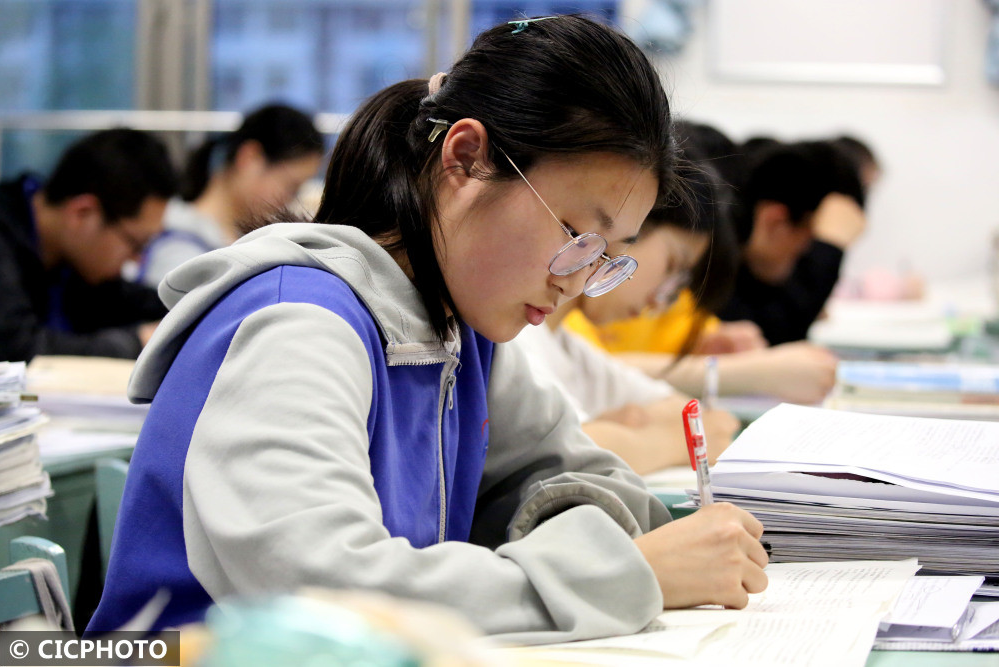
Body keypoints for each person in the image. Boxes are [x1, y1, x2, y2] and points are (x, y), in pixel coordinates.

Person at [90, 15, 767, 641]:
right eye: (574, 233)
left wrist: (598, 548)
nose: (575, 281)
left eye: (605, 255)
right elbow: (325, 592)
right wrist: (624, 573)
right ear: (466, 158)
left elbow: (577, 472)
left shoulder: (463, 330)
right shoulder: (299, 321)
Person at [511, 158, 740, 475]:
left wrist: (627, 432)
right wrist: (669, 442)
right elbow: (566, 458)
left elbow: (700, 420)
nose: (660, 300)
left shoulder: (567, 346)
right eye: (672, 266)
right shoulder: (517, 337)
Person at [563, 153, 839, 406]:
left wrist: (708, 348)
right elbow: (589, 372)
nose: (657, 300)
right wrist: (745, 373)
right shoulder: (560, 308)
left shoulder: (651, 292)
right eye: (671, 264)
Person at [0, 128, 177, 363]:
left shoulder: (73, 259)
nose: (138, 259)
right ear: (82, 213)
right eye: (136, 244)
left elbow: (131, 301)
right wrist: (138, 342)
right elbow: (17, 349)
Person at [139, 104, 324, 287]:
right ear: (250, 157)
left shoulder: (236, 241)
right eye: (290, 186)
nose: (289, 201)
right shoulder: (178, 246)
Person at [715, 140, 867, 345]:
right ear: (776, 222)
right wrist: (828, 250)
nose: (804, 257)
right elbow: (776, 336)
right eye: (809, 248)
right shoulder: (708, 265)